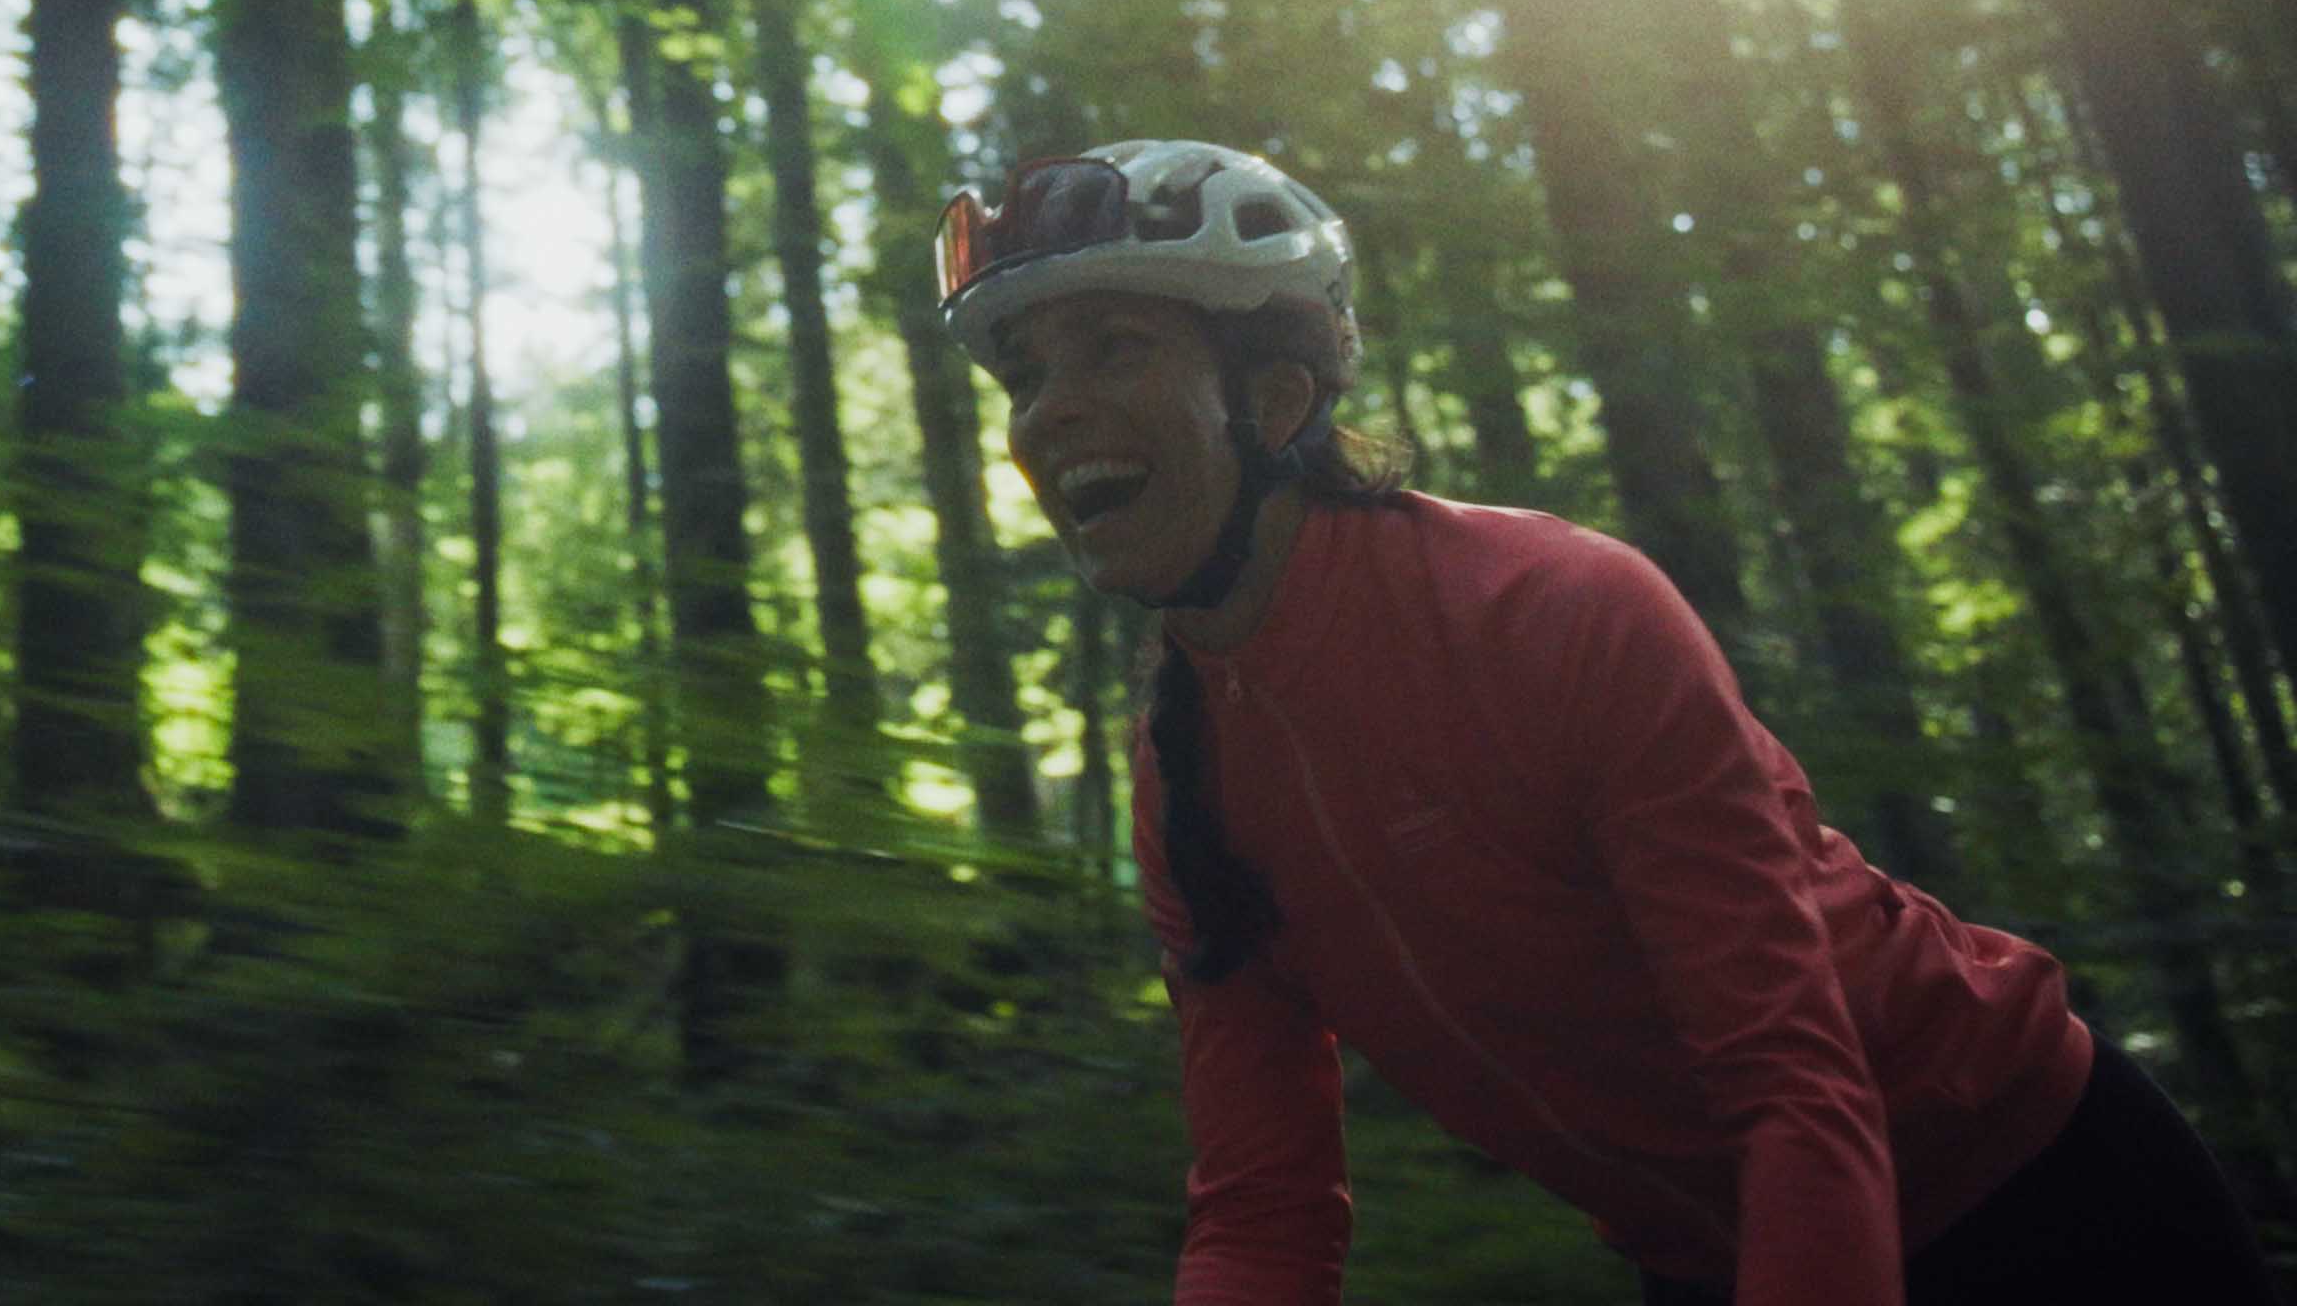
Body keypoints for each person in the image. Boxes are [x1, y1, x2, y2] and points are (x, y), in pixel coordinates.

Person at [935, 139, 2284, 1306]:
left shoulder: (1549, 610)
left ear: (1274, 398)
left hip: (2038, 1187)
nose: (1049, 411)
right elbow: (1263, 1214)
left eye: (1114, 346)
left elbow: (1795, 1086)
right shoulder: (1186, 781)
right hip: (1709, 1259)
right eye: (1026, 375)